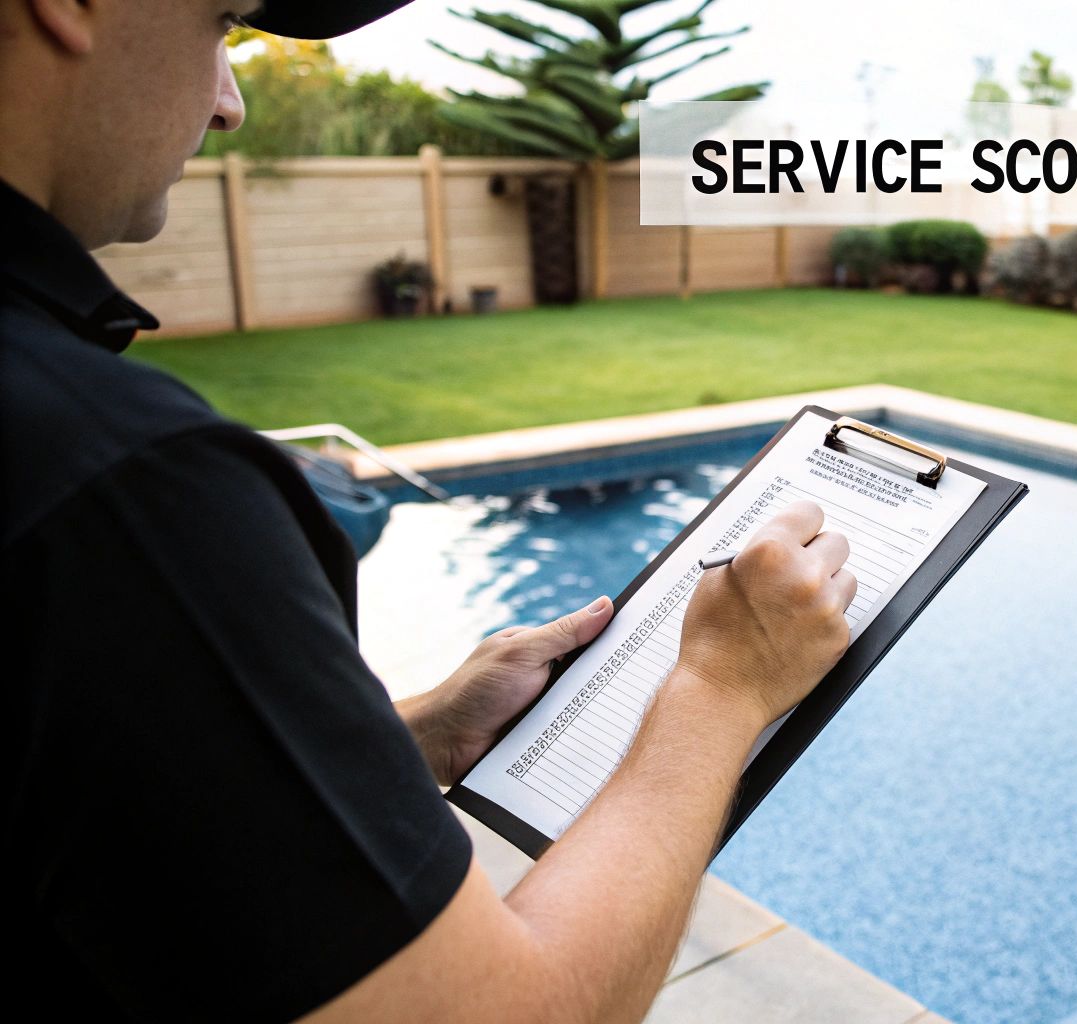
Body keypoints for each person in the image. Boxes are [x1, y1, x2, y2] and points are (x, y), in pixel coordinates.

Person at [0, 1, 857, 1019]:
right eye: (221, 23)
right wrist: (720, 687)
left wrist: (413, 734)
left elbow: (110, 804)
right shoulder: (125, 491)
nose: (228, 104)